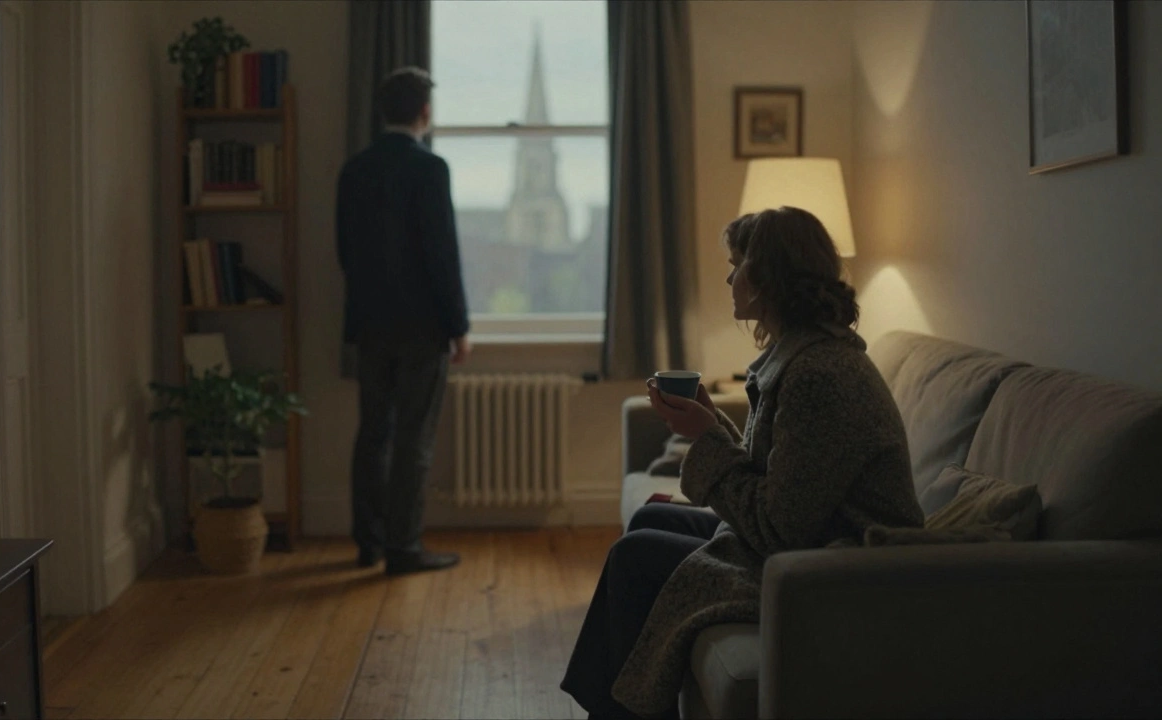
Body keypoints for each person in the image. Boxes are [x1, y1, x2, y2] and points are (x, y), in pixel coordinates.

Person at [561, 206, 924, 718]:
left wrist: (706, 438)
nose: (729, 276)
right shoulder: (802, 356)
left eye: (737, 264)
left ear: (767, 277)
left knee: (635, 556)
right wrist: (711, 424)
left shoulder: (820, 377)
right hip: (812, 539)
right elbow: (775, 477)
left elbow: (781, 529)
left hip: (835, 569)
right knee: (649, 519)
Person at [336, 67, 471, 576]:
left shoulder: (354, 169)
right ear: (425, 112)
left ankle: (367, 543)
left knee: (373, 433)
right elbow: (442, 255)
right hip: (423, 327)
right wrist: (458, 326)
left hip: (370, 323)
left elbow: (345, 253)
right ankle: (404, 548)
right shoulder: (430, 169)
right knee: (414, 437)